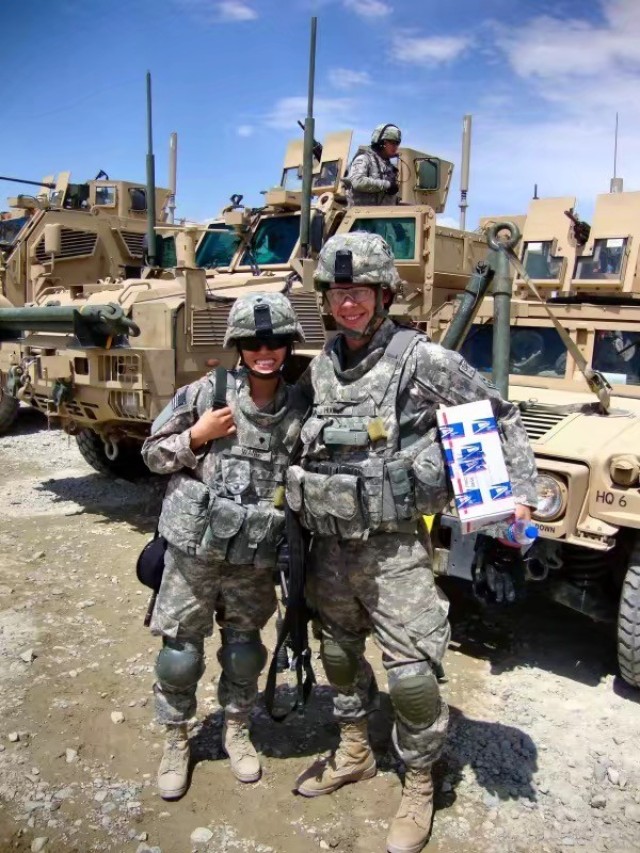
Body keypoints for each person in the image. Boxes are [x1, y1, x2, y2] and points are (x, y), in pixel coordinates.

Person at [288, 233, 537, 853]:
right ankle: (354, 752)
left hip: (393, 548)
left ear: (382, 295)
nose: (349, 304)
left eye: (360, 293)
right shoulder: (322, 364)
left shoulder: (420, 359)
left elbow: (497, 416)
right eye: (339, 292)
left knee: (412, 678)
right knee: (339, 656)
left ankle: (420, 783)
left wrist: (519, 494)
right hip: (330, 546)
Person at [141, 292, 306, 800]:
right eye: (255, 341)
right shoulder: (205, 395)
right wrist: (195, 435)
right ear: (237, 345)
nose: (266, 350)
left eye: (276, 341)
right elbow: (151, 454)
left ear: (287, 347)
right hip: (195, 556)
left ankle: (236, 728)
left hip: (253, 561)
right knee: (180, 655)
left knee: (243, 654)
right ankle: (176, 739)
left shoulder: (300, 407)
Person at [344, 124, 402, 207]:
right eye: (392, 142)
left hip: (382, 216)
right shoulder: (364, 158)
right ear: (381, 142)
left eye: (397, 143)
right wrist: (387, 185)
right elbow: (358, 181)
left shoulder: (388, 165)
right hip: (362, 216)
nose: (395, 147)